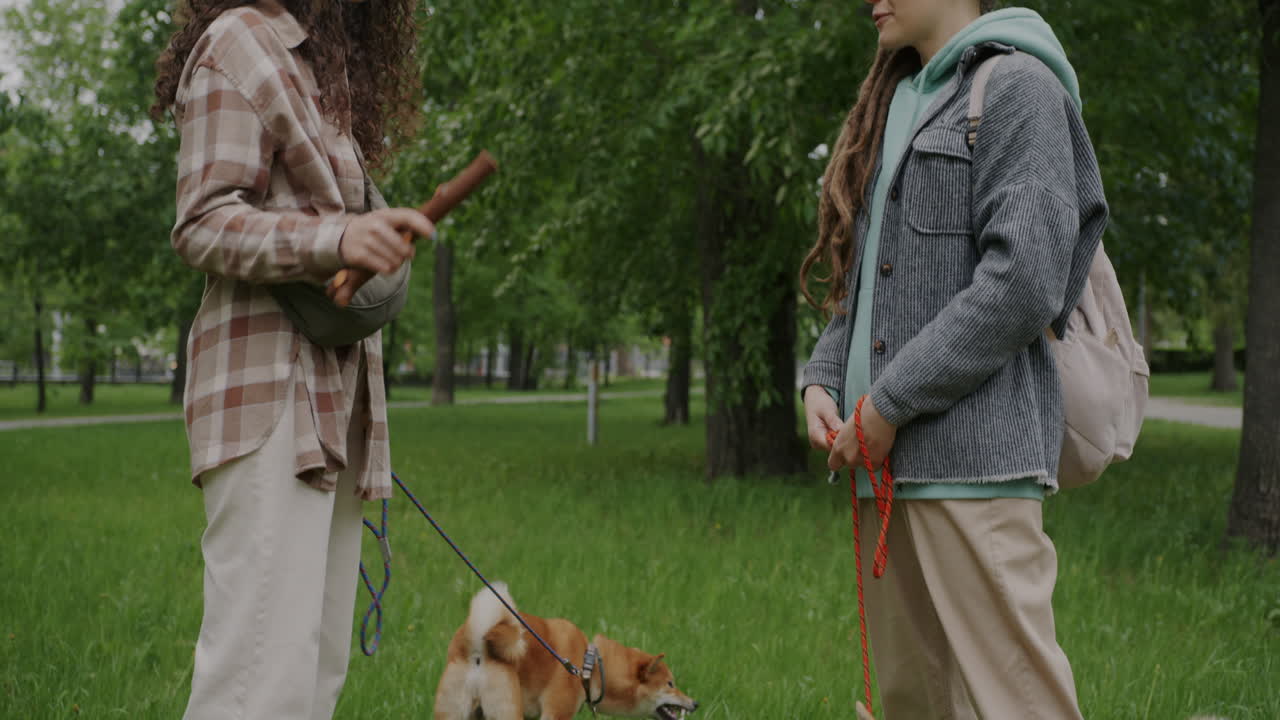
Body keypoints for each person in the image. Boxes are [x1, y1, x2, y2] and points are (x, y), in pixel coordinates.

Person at [799, 1, 1107, 717]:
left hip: (975, 470)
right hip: (884, 475)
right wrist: (823, 378)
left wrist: (888, 404)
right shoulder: (899, 103)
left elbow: (1024, 281)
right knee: (914, 705)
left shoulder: (1019, 86)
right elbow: (871, 284)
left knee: (1016, 705)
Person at [151, 1, 433, 717]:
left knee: (312, 680)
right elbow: (202, 220)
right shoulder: (238, 42)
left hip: (335, 404)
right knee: (257, 684)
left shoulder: (319, 65)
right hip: (267, 398)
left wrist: (368, 236)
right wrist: (335, 241)